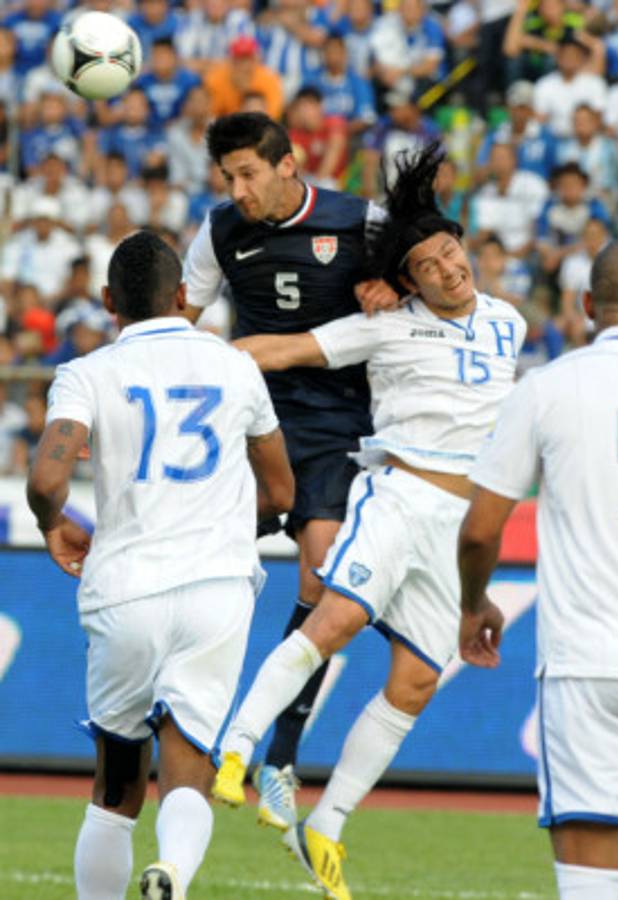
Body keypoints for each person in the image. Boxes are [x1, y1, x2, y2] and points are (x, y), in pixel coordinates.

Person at [220, 144, 526, 900]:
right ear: (407, 281)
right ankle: (237, 747)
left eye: (451, 254)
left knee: (417, 681)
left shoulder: (510, 323)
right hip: (399, 500)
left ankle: (328, 823)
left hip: (462, 526)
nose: (449, 270)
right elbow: (284, 350)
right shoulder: (384, 325)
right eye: (428, 265)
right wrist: (193, 357)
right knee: (337, 619)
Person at [26, 230, 294, 900]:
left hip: (125, 588)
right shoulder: (235, 367)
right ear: (182, 296)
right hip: (216, 589)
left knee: (116, 786)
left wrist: (53, 523)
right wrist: (229, 526)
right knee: (188, 767)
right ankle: (171, 872)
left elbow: (46, 478)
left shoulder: (87, 373)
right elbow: (283, 492)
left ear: (110, 301)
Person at [458, 236, 618, 900]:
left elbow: (481, 529)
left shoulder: (547, 388)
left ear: (589, 304)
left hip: (590, 662)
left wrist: (474, 603)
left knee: (589, 876)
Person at [182, 111, 392, 830]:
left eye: (248, 174)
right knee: (199, 568)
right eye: (228, 177)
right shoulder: (218, 231)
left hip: (335, 425)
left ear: (288, 163)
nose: (238, 190)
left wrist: (393, 286)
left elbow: (435, 268)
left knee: (319, 575)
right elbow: (178, 318)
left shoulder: (359, 220)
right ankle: (185, 731)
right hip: (247, 423)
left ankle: (279, 756)